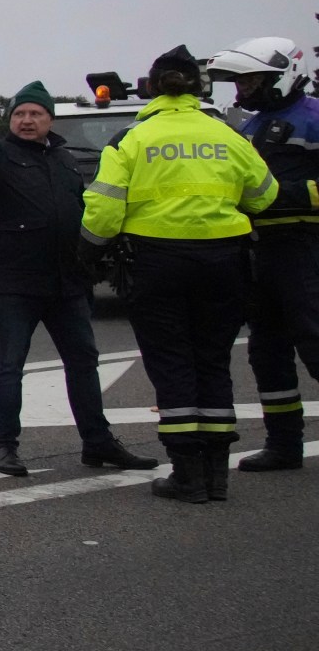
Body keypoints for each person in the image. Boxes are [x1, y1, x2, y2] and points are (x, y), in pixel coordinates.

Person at [80, 46, 279, 502]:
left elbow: (104, 211)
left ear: (153, 86)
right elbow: (265, 197)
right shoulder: (227, 136)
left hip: (157, 265)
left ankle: (187, 474)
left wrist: (87, 250)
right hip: (223, 263)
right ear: (197, 86)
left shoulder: (132, 138)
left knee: (172, 364)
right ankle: (216, 475)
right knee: (213, 361)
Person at [0, 82, 152, 476]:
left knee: (83, 362)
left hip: (68, 283)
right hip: (17, 282)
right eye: (19, 114)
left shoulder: (63, 159)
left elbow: (83, 210)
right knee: (10, 365)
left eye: (35, 114)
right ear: (10, 120)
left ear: (50, 119)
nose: (26, 121)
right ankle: (6, 447)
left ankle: (97, 442)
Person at [205, 36, 319, 471]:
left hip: (304, 249)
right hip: (258, 252)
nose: (243, 89)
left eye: (251, 80)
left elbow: (274, 192)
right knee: (267, 351)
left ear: (282, 74)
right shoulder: (248, 127)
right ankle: (284, 444)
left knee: (315, 343)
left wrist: (283, 196)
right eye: (240, 81)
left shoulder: (313, 117)